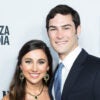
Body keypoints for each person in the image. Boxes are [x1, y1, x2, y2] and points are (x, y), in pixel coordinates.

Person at [46, 4, 100, 100]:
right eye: (53, 29)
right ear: (48, 33)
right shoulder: (54, 73)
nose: (59, 35)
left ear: (77, 30)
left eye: (66, 28)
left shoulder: (97, 68)